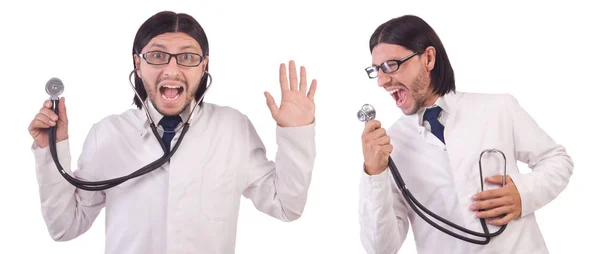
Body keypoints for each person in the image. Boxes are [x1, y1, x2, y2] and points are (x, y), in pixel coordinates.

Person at [28, 11, 317, 254]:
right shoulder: (107, 134)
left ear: (204, 66)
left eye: (188, 57)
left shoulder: (233, 128)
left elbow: (286, 206)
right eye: (157, 56)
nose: (172, 68)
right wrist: (50, 149)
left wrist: (296, 134)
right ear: (137, 64)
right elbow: (65, 227)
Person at [358, 15, 573, 254]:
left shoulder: (498, 108)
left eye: (391, 65)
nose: (381, 81)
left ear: (428, 58)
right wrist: (374, 173)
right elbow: (381, 248)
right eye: (376, 69)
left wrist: (524, 193)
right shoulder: (391, 145)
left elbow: (557, 160)